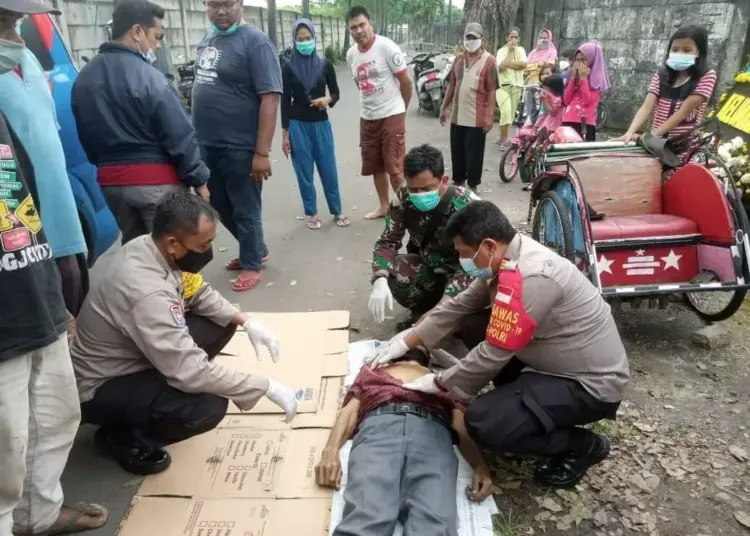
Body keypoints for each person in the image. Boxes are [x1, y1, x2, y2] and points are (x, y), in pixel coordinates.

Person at [372, 201, 630, 490]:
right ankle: (521, 405)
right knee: (471, 323)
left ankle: (581, 445)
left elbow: (496, 349)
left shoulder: (534, 276)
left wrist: (440, 382)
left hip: (588, 383)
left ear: (488, 246)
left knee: (483, 422)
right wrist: (407, 339)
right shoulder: (506, 259)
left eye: (464, 254)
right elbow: (459, 306)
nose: (461, 261)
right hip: (549, 359)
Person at [71, 192, 298, 475]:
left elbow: (197, 291)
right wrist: (265, 386)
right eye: (204, 245)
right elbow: (190, 372)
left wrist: (245, 321)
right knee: (208, 406)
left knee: (222, 321)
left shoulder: (149, 246)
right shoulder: (147, 292)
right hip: (102, 385)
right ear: (172, 243)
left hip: (135, 353)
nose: (208, 251)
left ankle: (152, 395)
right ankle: (121, 436)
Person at [0, 109, 108, 535]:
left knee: (56, 415)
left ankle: (38, 514)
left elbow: (23, 210)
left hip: (30, 291)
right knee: (5, 447)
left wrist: (50, 295)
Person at [315, 347, 493, 536]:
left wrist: (479, 465)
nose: (417, 345)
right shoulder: (372, 371)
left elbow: (459, 425)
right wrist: (330, 451)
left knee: (433, 525)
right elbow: (349, 412)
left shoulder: (444, 379)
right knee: (367, 518)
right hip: (380, 427)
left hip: (432, 433)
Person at [73, 0, 209, 246]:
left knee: (137, 255)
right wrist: (198, 178)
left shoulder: (84, 78)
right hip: (156, 184)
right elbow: (179, 135)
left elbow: (86, 137)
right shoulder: (151, 78)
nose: (157, 46)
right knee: (173, 255)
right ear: (137, 32)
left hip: (112, 185)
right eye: (157, 36)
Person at [0, 0, 89, 316]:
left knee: (73, 282)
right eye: (4, 23)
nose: (16, 34)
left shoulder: (27, 58)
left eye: (18, 21)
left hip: (59, 209)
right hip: (17, 224)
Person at [192, 0, 282, 292]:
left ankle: (253, 262)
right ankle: (254, 247)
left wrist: (262, 152)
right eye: (214, 4)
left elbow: (270, 97)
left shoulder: (255, 42)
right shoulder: (209, 38)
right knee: (216, 203)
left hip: (240, 146)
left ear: (240, 4)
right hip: (208, 143)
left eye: (227, 4)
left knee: (245, 207)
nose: (221, 11)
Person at [368, 144, 479, 331]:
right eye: (413, 189)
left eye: (426, 188)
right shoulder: (404, 196)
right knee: (392, 271)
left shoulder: (468, 206)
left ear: (443, 180)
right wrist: (379, 279)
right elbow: (388, 241)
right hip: (430, 267)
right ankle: (423, 311)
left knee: (462, 325)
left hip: (463, 272)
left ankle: (445, 315)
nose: (418, 195)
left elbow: (477, 262)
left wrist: (445, 304)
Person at [281, 18, 349, 230]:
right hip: (297, 125)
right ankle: (312, 213)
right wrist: (285, 134)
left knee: (328, 169)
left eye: (308, 38)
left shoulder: (325, 65)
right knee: (304, 172)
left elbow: (336, 93)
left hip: (321, 124)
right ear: (294, 41)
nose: (304, 42)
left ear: (314, 38)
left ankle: (337, 210)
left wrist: (327, 100)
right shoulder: (288, 67)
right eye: (300, 39)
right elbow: (284, 102)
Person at [346, 5, 412, 220]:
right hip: (368, 118)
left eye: (362, 25)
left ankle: (407, 209)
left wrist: (402, 109)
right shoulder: (351, 55)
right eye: (353, 27)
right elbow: (360, 84)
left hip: (392, 114)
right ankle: (384, 206)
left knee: (394, 168)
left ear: (370, 24)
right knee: (375, 166)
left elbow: (405, 81)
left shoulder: (386, 47)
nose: (359, 31)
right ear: (350, 31)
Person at [615, 26, 716, 159]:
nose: (680, 53)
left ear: (698, 52)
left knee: (676, 176)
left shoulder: (706, 76)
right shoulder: (662, 74)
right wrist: (630, 132)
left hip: (682, 147)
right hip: (655, 145)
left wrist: (650, 137)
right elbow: (646, 107)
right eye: (675, 49)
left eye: (687, 50)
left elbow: (682, 113)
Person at [439, 23, 497, 192]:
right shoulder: (458, 59)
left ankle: (472, 189)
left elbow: (492, 90)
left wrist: (489, 116)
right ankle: (459, 187)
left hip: (476, 119)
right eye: (468, 37)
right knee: (457, 156)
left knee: (474, 157)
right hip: (458, 118)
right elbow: (452, 84)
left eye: (474, 37)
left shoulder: (489, 61)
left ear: (481, 39)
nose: (470, 41)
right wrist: (444, 108)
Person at [562, 43, 610, 142]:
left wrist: (583, 79)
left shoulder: (597, 80)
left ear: (591, 60)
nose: (579, 63)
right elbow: (566, 100)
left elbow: (587, 100)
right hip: (568, 120)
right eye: (577, 60)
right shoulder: (575, 76)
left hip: (585, 124)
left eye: (583, 60)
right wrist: (573, 79)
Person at [495, 27, 527, 146]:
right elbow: (501, 67)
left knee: (511, 115)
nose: (513, 39)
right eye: (511, 37)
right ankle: (504, 139)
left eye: (516, 37)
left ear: (519, 39)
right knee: (506, 112)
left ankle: (501, 137)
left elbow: (523, 65)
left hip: (517, 86)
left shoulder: (522, 50)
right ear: (506, 38)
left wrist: (509, 63)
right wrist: (510, 53)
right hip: (502, 86)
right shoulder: (501, 51)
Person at [522, 29, 557, 126]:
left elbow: (550, 65)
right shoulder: (533, 52)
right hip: (529, 83)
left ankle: (537, 125)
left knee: (540, 107)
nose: (543, 40)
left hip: (543, 84)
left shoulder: (552, 52)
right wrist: (538, 65)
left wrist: (536, 65)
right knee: (529, 107)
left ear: (549, 38)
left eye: (545, 38)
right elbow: (526, 66)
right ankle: (529, 124)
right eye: (541, 38)